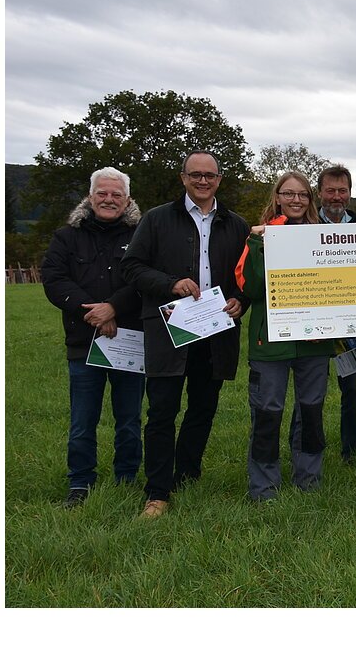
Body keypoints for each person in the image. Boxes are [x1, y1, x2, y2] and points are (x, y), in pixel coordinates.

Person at [122, 151, 250, 518]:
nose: (203, 181)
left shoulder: (235, 224)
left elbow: (246, 278)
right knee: (162, 411)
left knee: (203, 409)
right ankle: (157, 491)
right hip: (169, 331)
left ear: (219, 179)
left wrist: (241, 300)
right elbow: (131, 266)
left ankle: (186, 473)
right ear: (183, 178)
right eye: (195, 175)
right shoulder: (157, 219)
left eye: (210, 175)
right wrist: (170, 283)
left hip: (216, 330)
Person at [42, 167, 144, 508]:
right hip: (83, 342)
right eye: (102, 193)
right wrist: (95, 316)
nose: (109, 199)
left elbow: (144, 279)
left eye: (116, 194)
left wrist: (113, 308)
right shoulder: (66, 236)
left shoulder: (142, 234)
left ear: (127, 199)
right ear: (90, 196)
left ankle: (127, 478)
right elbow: (55, 280)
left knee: (129, 419)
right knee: (82, 420)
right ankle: (80, 483)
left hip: (129, 340)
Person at [235, 171, 337, 501]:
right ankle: (263, 488)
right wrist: (257, 244)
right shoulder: (262, 235)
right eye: (288, 194)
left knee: (311, 410)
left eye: (303, 195)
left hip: (314, 342)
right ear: (277, 197)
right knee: (267, 413)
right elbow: (249, 287)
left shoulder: (322, 236)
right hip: (271, 343)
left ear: (311, 200)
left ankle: (309, 480)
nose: (296, 200)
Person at [316, 164, 356, 461]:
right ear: (320, 193)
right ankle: (311, 449)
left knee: (353, 392)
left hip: (353, 327)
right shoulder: (305, 227)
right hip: (313, 325)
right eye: (330, 190)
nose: (337, 197)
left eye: (342, 191)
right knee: (312, 393)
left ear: (350, 193)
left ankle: (353, 450)